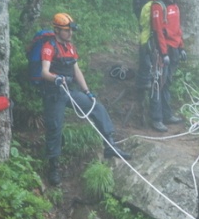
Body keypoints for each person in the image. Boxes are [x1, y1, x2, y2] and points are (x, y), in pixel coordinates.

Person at [40, 12, 131, 186]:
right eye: (67, 31)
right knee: (55, 129)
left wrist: (87, 91)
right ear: (57, 30)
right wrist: (56, 78)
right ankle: (54, 167)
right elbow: (44, 72)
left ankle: (110, 145)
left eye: (71, 31)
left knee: (96, 107)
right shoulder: (49, 46)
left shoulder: (70, 47)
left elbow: (77, 70)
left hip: (70, 91)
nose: (70, 34)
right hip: (54, 93)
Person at [145, 0, 186, 133]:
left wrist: (181, 47)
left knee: (167, 82)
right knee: (158, 83)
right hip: (163, 51)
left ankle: (167, 114)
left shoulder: (174, 6)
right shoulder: (158, 7)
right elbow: (158, 32)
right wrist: (163, 53)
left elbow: (177, 29)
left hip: (174, 49)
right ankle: (156, 118)